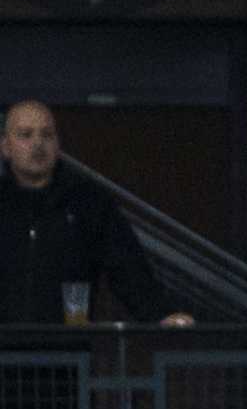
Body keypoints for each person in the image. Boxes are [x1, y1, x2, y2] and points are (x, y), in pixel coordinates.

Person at [0, 99, 192, 327]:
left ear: (58, 145)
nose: (38, 143)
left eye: (47, 135)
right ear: (5, 146)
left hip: (68, 354)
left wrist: (162, 313)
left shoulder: (88, 202)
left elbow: (127, 268)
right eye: (25, 135)